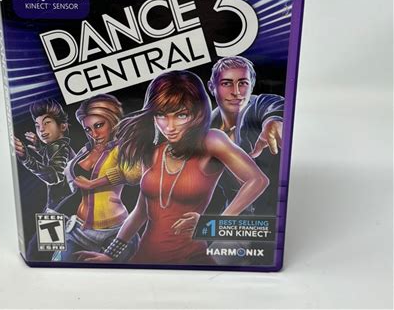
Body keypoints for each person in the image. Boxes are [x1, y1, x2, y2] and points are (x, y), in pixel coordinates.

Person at [76, 70, 269, 265]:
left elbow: (257, 180)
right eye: (161, 115)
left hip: (191, 260)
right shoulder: (152, 153)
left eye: (181, 115)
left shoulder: (211, 141)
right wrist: (110, 254)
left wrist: (213, 224)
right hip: (145, 257)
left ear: (198, 113)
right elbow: (140, 213)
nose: (169, 127)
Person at [52, 94, 141, 263]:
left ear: (112, 121)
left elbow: (133, 175)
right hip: (78, 228)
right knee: (55, 266)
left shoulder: (122, 148)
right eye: (88, 129)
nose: (94, 134)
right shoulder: (86, 150)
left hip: (115, 231)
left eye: (99, 125)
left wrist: (95, 183)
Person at [206, 55, 284, 215]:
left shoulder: (258, 106)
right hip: (234, 216)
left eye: (243, 83)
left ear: (252, 85)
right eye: (226, 83)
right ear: (211, 87)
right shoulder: (206, 129)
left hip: (273, 214)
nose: (236, 92)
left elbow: (274, 105)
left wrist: (274, 120)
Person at [14, 98, 76, 213]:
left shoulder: (60, 147)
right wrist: (39, 147)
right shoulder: (60, 147)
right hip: (63, 206)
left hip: (61, 208)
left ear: (63, 126)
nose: (41, 129)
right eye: (37, 125)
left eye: (46, 123)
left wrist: (26, 159)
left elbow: (54, 176)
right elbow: (55, 159)